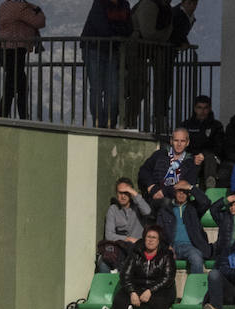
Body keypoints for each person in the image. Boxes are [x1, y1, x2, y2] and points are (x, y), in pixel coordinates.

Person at [110, 226, 175, 309]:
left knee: (161, 302)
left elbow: (168, 277)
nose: (150, 240)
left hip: (158, 288)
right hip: (137, 287)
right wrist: (132, 292)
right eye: (148, 237)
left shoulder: (166, 254)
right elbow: (125, 275)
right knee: (120, 300)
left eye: (154, 237)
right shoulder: (135, 252)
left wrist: (150, 290)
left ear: (159, 241)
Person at [79, 0, 133, 129]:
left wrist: (115, 31)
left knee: (113, 91)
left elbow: (129, 28)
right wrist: (119, 31)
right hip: (93, 49)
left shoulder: (124, 5)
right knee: (97, 89)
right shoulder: (100, 3)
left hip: (111, 50)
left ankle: (109, 124)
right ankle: (100, 124)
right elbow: (103, 28)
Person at [126, 0, 172, 133]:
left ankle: (135, 122)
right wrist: (163, 37)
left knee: (146, 87)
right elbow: (149, 33)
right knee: (137, 87)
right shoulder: (149, 5)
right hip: (136, 51)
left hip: (144, 51)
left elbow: (165, 31)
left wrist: (161, 38)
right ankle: (130, 123)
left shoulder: (164, 8)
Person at [0, 0, 44, 120]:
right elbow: (39, 21)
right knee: (13, 85)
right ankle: (12, 117)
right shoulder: (19, 7)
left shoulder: (4, 5)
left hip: (7, 49)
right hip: (16, 49)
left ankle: (14, 116)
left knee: (16, 83)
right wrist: (36, 7)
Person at [156, 180, 211, 275]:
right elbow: (159, 231)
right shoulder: (165, 210)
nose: (182, 194)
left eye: (185, 191)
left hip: (190, 247)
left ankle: (195, 288)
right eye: (179, 191)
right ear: (174, 192)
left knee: (197, 258)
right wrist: (166, 247)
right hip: (171, 247)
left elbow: (206, 202)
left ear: (189, 194)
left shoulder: (193, 208)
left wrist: (190, 187)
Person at [138, 128, 202, 209]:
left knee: (167, 203)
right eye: (176, 140)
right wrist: (151, 186)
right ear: (171, 141)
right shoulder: (160, 154)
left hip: (175, 199)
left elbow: (188, 183)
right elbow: (144, 170)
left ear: (187, 143)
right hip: (153, 194)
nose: (179, 144)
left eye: (182, 141)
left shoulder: (190, 162)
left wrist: (164, 192)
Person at [97, 177, 151, 273]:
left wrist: (132, 192)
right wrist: (128, 239)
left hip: (138, 250)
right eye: (120, 193)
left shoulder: (137, 207)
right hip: (120, 250)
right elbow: (109, 235)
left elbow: (147, 211)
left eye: (126, 193)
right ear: (116, 194)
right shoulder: (113, 209)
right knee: (102, 262)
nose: (123, 196)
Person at [179, 94, 224, 188]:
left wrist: (203, 154)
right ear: (195, 109)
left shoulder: (216, 125)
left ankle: (210, 183)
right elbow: (181, 144)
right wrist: (194, 156)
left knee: (210, 158)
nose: (202, 111)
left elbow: (219, 146)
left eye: (205, 108)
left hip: (210, 158)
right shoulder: (186, 125)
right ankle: (189, 185)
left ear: (210, 109)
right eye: (199, 107)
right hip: (191, 156)